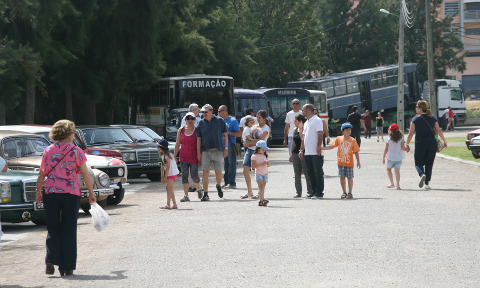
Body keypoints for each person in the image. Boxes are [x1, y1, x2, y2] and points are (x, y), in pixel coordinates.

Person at [35, 119, 96, 276]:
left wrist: (38, 191)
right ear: (69, 134)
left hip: (51, 192)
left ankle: (50, 259)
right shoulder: (76, 151)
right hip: (70, 193)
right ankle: (66, 267)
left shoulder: (48, 150)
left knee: (53, 227)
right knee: (69, 229)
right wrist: (91, 192)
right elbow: (85, 174)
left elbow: (42, 173)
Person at [406, 100, 447, 190]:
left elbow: (410, 133)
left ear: (420, 108)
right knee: (429, 163)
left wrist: (407, 143)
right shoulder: (432, 118)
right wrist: (444, 141)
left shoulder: (415, 119)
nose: (416, 108)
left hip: (420, 144)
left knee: (418, 163)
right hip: (431, 144)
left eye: (417, 107)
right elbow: (439, 130)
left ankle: (422, 174)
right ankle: (427, 184)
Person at [197, 104, 228, 201]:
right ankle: (206, 194)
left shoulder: (219, 121)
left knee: (218, 172)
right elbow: (199, 139)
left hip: (218, 151)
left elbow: (225, 135)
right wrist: (199, 153)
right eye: (203, 112)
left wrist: (226, 148)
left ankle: (218, 185)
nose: (204, 114)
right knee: (205, 172)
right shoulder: (201, 123)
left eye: (206, 112)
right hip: (205, 151)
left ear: (211, 111)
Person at [321, 123, 361, 199]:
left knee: (350, 177)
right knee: (342, 177)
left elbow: (356, 151)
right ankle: (344, 192)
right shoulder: (339, 139)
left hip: (349, 162)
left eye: (349, 130)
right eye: (346, 130)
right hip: (341, 162)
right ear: (342, 131)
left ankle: (350, 192)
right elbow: (332, 146)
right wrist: (322, 148)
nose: (348, 131)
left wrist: (358, 161)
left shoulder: (353, 140)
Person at [241, 110, 270, 199]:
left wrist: (249, 142)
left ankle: (259, 192)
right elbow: (246, 138)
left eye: (259, 117)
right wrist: (247, 142)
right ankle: (250, 192)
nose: (257, 119)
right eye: (256, 117)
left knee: (260, 171)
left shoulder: (266, 128)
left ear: (264, 119)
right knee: (245, 170)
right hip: (249, 150)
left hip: (259, 152)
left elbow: (260, 141)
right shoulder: (254, 127)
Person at [174, 112, 203, 202]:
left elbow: (199, 144)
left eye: (192, 119)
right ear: (185, 120)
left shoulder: (197, 130)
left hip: (193, 156)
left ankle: (199, 189)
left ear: (195, 120)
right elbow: (177, 144)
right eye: (188, 118)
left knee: (194, 175)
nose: (190, 120)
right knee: (184, 176)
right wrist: (174, 156)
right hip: (183, 156)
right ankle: (186, 195)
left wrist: (199, 157)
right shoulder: (181, 130)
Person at [299, 104, 324, 199]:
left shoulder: (317, 120)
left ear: (308, 110)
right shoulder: (306, 122)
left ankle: (319, 192)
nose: (302, 112)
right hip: (307, 152)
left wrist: (318, 146)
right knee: (310, 172)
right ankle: (313, 191)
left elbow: (320, 133)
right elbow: (303, 138)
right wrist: (301, 150)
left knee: (318, 172)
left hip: (315, 151)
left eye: (303, 110)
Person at [289, 114, 313, 198]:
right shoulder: (294, 129)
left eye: (296, 121)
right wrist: (290, 153)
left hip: (304, 153)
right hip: (295, 153)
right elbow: (293, 142)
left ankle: (310, 191)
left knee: (306, 173)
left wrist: (301, 129)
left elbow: (303, 139)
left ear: (300, 122)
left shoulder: (305, 129)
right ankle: (298, 192)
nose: (294, 123)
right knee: (297, 173)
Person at [180, 103, 202, 193]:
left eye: (192, 119)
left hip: (193, 151)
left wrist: (199, 153)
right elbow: (180, 138)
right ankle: (189, 188)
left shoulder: (198, 119)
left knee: (194, 172)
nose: (199, 111)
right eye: (197, 109)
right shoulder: (184, 121)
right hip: (185, 151)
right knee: (186, 173)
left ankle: (196, 186)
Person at [218, 105, 241, 189]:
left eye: (219, 111)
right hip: (222, 146)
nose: (218, 113)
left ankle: (232, 182)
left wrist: (229, 133)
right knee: (225, 165)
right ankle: (226, 182)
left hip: (231, 145)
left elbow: (239, 134)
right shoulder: (220, 121)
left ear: (225, 111)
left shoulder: (233, 121)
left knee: (231, 164)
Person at [382, 123, 409, 190]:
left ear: (390, 131)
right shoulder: (401, 138)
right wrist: (407, 149)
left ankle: (392, 183)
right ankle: (398, 185)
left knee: (388, 169)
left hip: (390, 158)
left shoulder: (388, 140)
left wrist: (383, 157)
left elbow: (386, 149)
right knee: (397, 171)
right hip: (398, 158)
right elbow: (403, 148)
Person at [158, 139, 180, 209]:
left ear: (162, 148)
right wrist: (162, 177)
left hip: (172, 173)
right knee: (170, 189)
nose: (157, 148)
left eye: (158, 147)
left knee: (168, 188)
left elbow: (167, 168)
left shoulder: (168, 156)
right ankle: (174, 204)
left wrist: (165, 177)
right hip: (169, 173)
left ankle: (168, 204)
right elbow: (162, 167)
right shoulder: (162, 155)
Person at [251, 140, 270, 206]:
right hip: (259, 173)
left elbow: (268, 165)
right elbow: (253, 166)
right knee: (261, 187)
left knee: (263, 187)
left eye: (265, 149)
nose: (264, 151)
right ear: (258, 149)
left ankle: (261, 200)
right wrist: (262, 164)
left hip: (265, 173)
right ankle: (262, 200)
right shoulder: (254, 156)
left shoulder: (265, 156)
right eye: (263, 149)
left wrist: (267, 164)